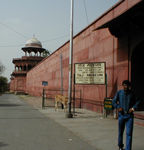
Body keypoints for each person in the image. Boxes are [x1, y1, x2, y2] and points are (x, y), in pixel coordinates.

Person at [112, 80, 140, 150]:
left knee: (129, 134)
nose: (125, 87)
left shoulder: (132, 94)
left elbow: (138, 101)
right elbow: (113, 101)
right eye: (124, 85)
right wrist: (118, 107)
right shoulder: (119, 93)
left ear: (129, 87)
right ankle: (120, 146)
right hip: (121, 116)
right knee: (120, 132)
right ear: (122, 86)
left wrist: (133, 108)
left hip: (129, 116)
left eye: (127, 85)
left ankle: (128, 149)